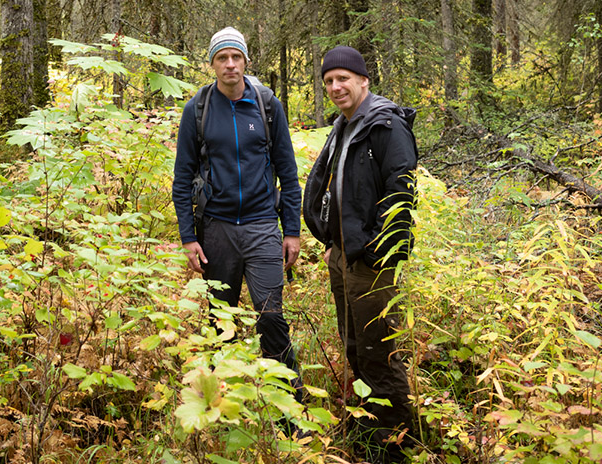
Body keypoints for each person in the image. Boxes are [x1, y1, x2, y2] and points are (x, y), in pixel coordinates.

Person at [171, 27, 304, 390]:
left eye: (236, 57)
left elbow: (289, 174)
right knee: (220, 321)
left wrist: (291, 230)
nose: (230, 65)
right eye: (222, 58)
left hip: (262, 226)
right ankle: (223, 404)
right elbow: (182, 178)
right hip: (216, 230)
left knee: (271, 317)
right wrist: (188, 237)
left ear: (245, 60)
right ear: (212, 64)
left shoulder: (267, 106)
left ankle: (290, 408)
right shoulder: (197, 110)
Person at [302, 45, 418, 462]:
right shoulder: (345, 125)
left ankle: (399, 443)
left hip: (371, 262)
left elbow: (402, 192)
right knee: (354, 346)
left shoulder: (386, 125)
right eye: (329, 81)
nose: (335, 87)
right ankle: (371, 425)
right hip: (342, 254)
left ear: (363, 81)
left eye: (343, 79)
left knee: (378, 350)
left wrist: (377, 249)